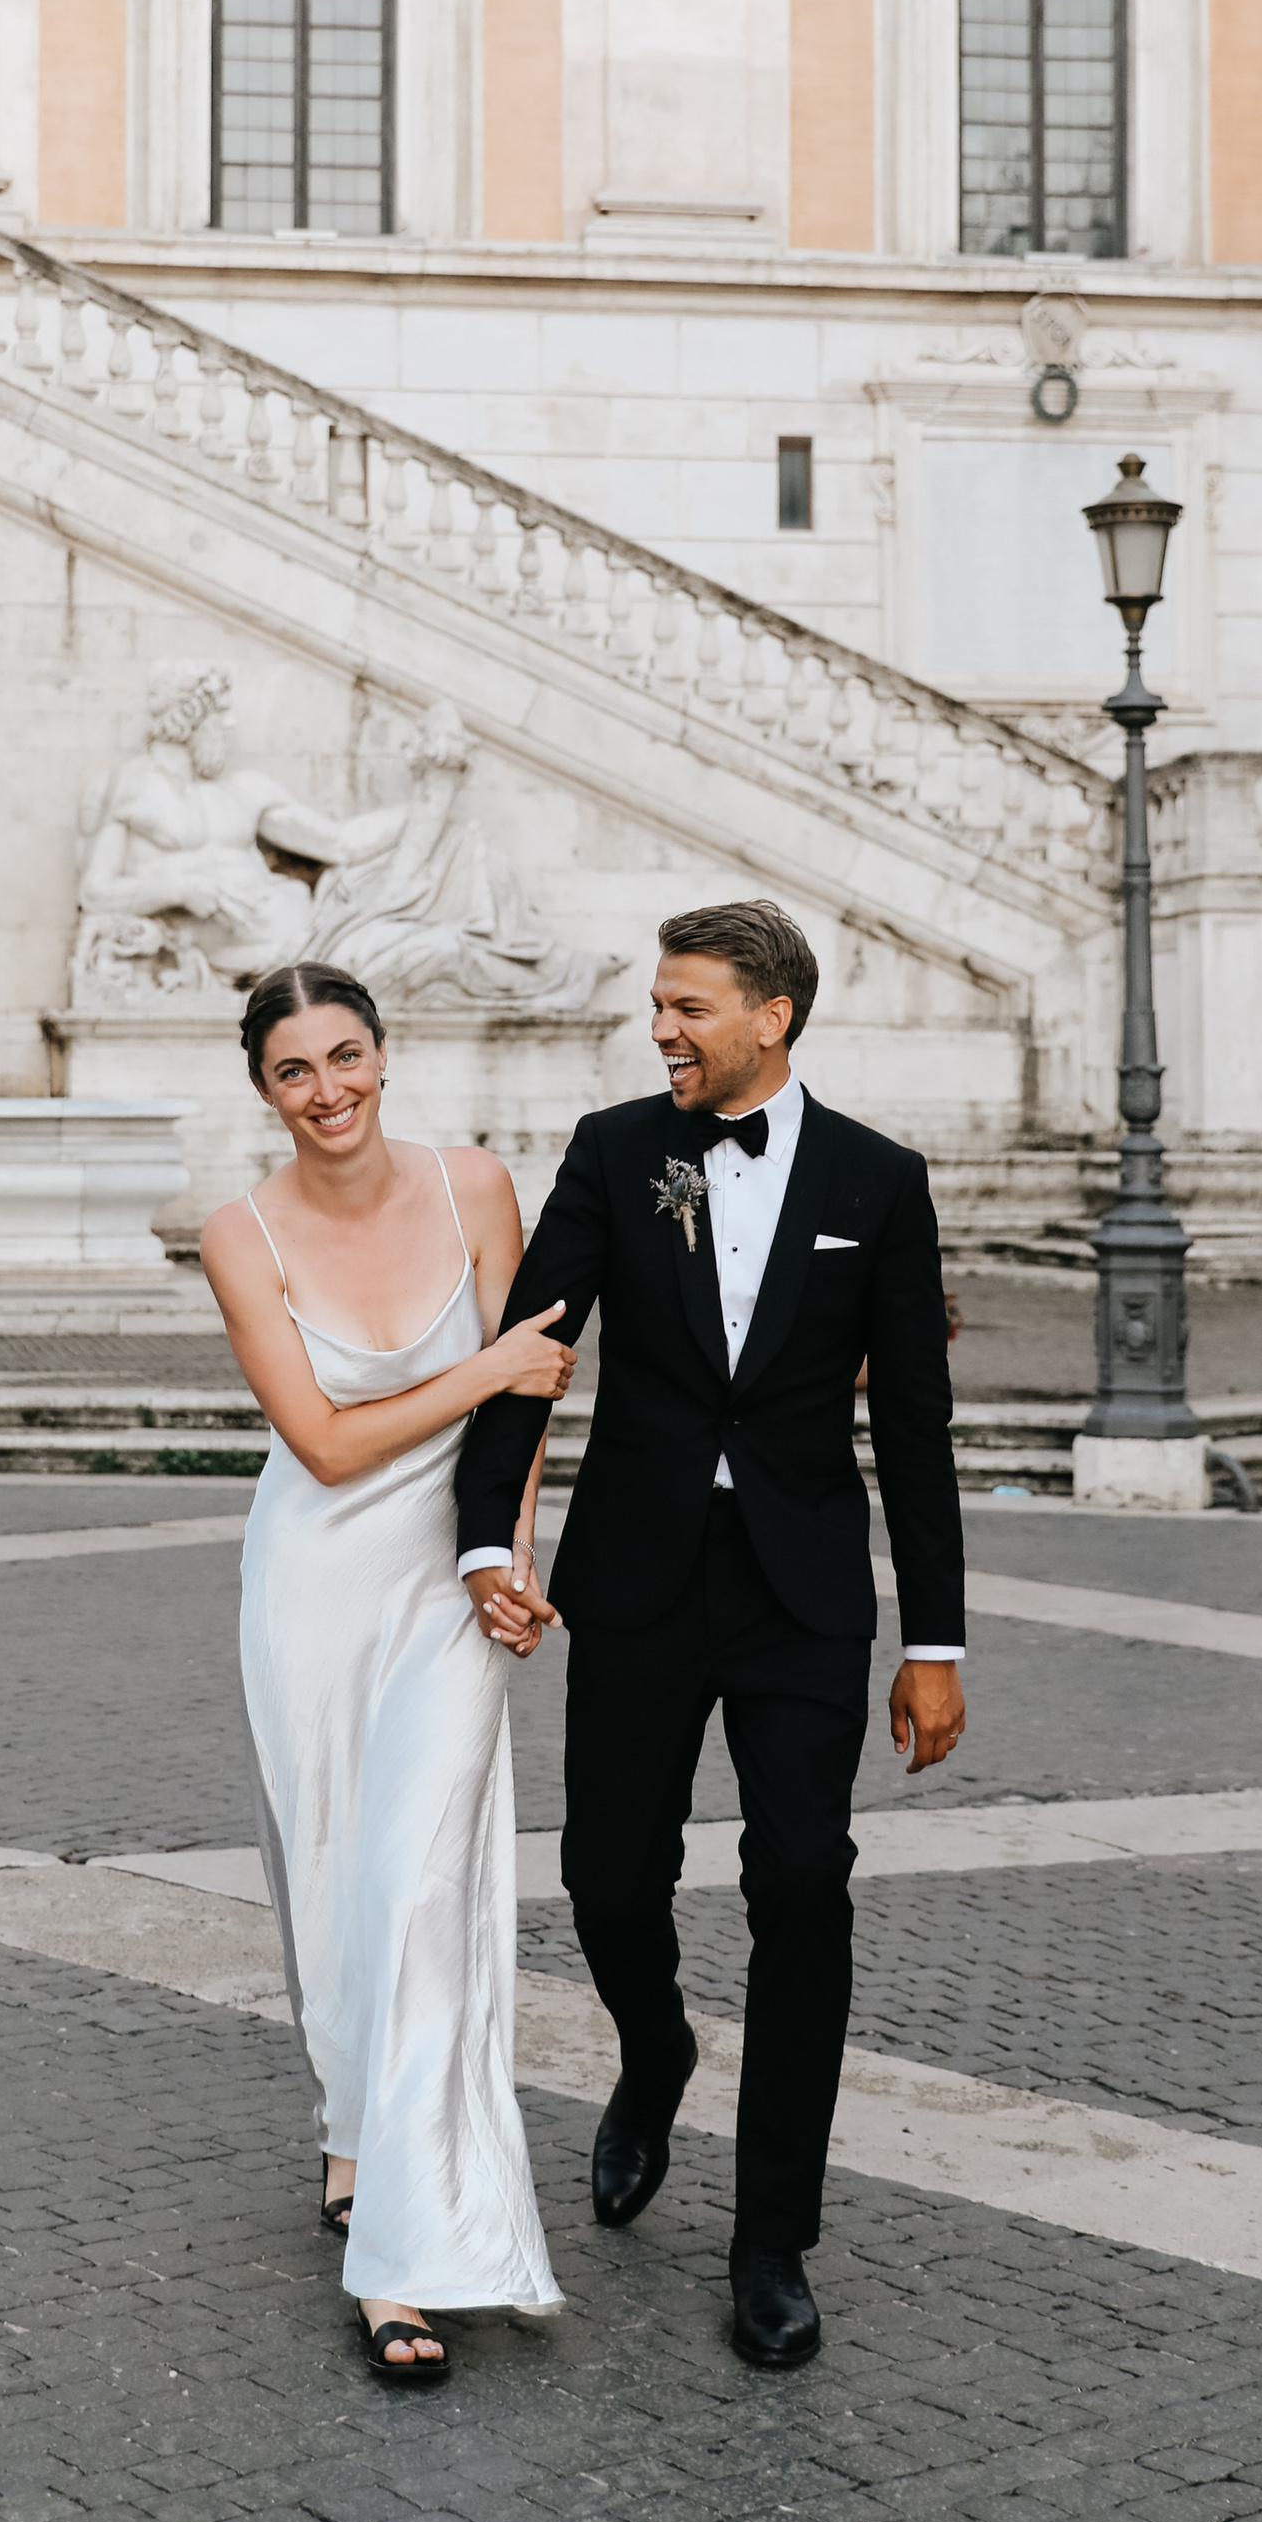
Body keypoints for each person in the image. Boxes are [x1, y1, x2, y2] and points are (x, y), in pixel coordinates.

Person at [454, 897, 967, 2372]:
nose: (661, 1029)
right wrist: (493, 1536)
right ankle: (657, 2047)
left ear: (771, 1018)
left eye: (687, 1007)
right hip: (639, 1572)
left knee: (803, 1882)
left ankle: (771, 2241)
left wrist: (935, 1640)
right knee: (611, 1878)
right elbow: (531, 1351)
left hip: (802, 1588)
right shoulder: (622, 1152)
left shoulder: (882, 1178)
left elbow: (918, 1430)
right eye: (658, 1007)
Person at [200, 960, 574, 2384]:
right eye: (296, 1071)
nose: (328, 1090)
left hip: (444, 1580)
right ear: (263, 1091)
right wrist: (487, 1375)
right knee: (335, 1878)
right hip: (312, 1579)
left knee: (424, 1887)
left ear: (382, 1057)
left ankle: (403, 2257)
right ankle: (356, 2133)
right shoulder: (240, 1234)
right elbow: (332, 1443)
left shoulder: (475, 1185)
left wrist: (503, 1550)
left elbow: (531, 1414)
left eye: (346, 1057)